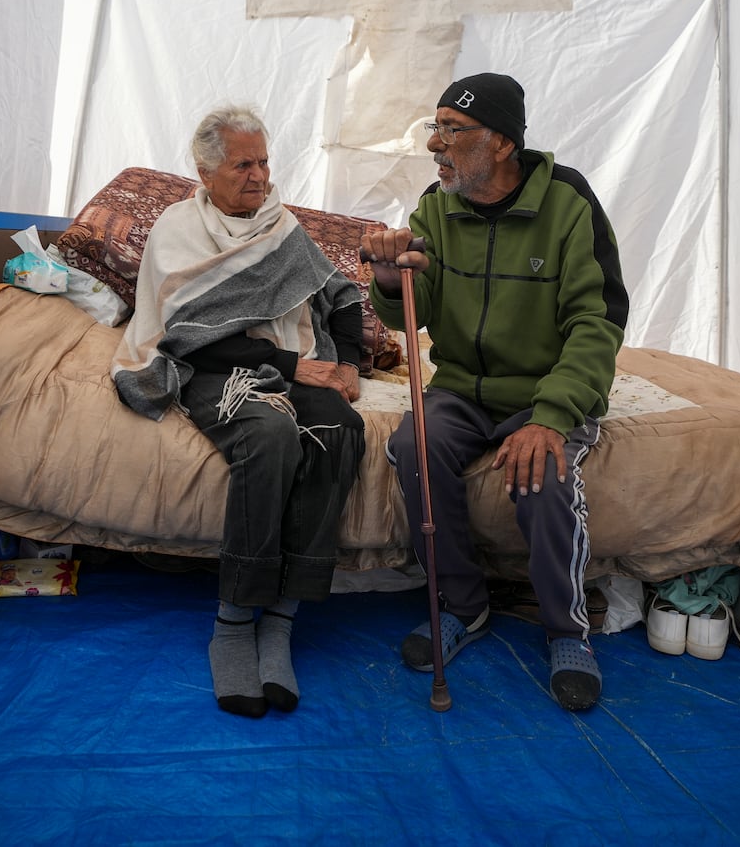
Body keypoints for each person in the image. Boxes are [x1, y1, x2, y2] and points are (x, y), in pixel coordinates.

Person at [360, 73, 628, 712]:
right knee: (413, 446)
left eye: (454, 131)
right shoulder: (436, 205)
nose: (436, 145)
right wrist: (383, 276)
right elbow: (412, 315)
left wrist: (554, 416)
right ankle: (463, 606)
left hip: (545, 390)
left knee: (542, 472)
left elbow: (597, 322)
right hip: (463, 387)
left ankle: (567, 630)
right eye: (436, 128)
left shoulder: (568, 204)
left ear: (503, 143)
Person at [113, 105, 366, 718]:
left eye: (264, 161)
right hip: (215, 367)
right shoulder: (179, 230)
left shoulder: (281, 227)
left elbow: (341, 295)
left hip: (291, 359)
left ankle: (280, 621)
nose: (260, 177)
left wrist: (351, 362)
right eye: (242, 165)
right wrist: (287, 364)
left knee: (339, 428)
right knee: (270, 433)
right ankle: (232, 625)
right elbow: (189, 330)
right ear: (205, 172)